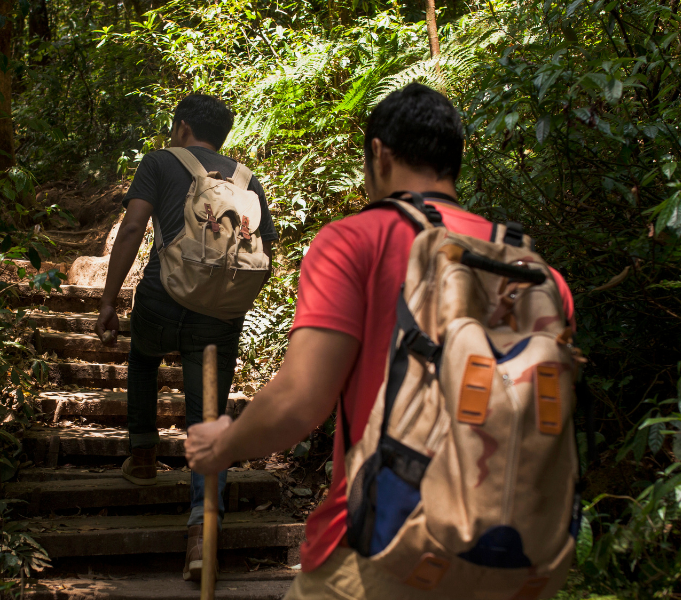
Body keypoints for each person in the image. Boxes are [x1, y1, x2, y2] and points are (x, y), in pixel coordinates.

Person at [184, 83, 575, 598]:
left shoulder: (354, 240)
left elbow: (301, 401)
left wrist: (223, 445)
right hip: (519, 563)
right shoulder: (530, 271)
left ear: (379, 154)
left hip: (382, 550)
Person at [94, 93, 278, 581]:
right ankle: (202, 534)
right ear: (222, 135)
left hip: (163, 294)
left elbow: (134, 226)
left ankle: (143, 455)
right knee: (207, 414)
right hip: (219, 309)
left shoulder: (159, 161)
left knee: (143, 358)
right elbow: (266, 248)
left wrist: (109, 301)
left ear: (181, 128)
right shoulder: (245, 179)